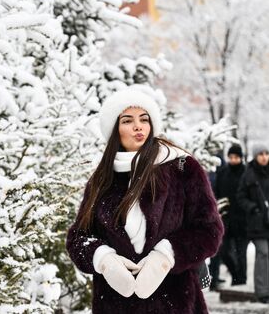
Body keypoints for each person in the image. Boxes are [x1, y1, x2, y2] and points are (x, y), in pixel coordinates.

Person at [65, 88, 224, 313]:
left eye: (144, 119)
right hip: (114, 304)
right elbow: (78, 237)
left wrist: (166, 256)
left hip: (176, 303)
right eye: (127, 121)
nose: (138, 126)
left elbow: (210, 230)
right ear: (114, 130)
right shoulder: (102, 179)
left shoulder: (181, 167)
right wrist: (103, 258)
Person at [209, 144, 247, 289]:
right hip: (225, 218)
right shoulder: (223, 172)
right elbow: (216, 192)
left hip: (242, 220)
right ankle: (236, 275)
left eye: (236, 157)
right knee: (223, 251)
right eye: (231, 157)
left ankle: (241, 282)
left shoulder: (246, 172)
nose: (233, 160)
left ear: (241, 158)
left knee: (241, 253)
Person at [236, 144, 269, 303]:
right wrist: (253, 208)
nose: (264, 157)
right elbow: (240, 197)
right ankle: (262, 292)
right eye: (261, 154)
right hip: (257, 224)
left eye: (266, 153)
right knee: (263, 253)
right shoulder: (248, 174)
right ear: (256, 156)